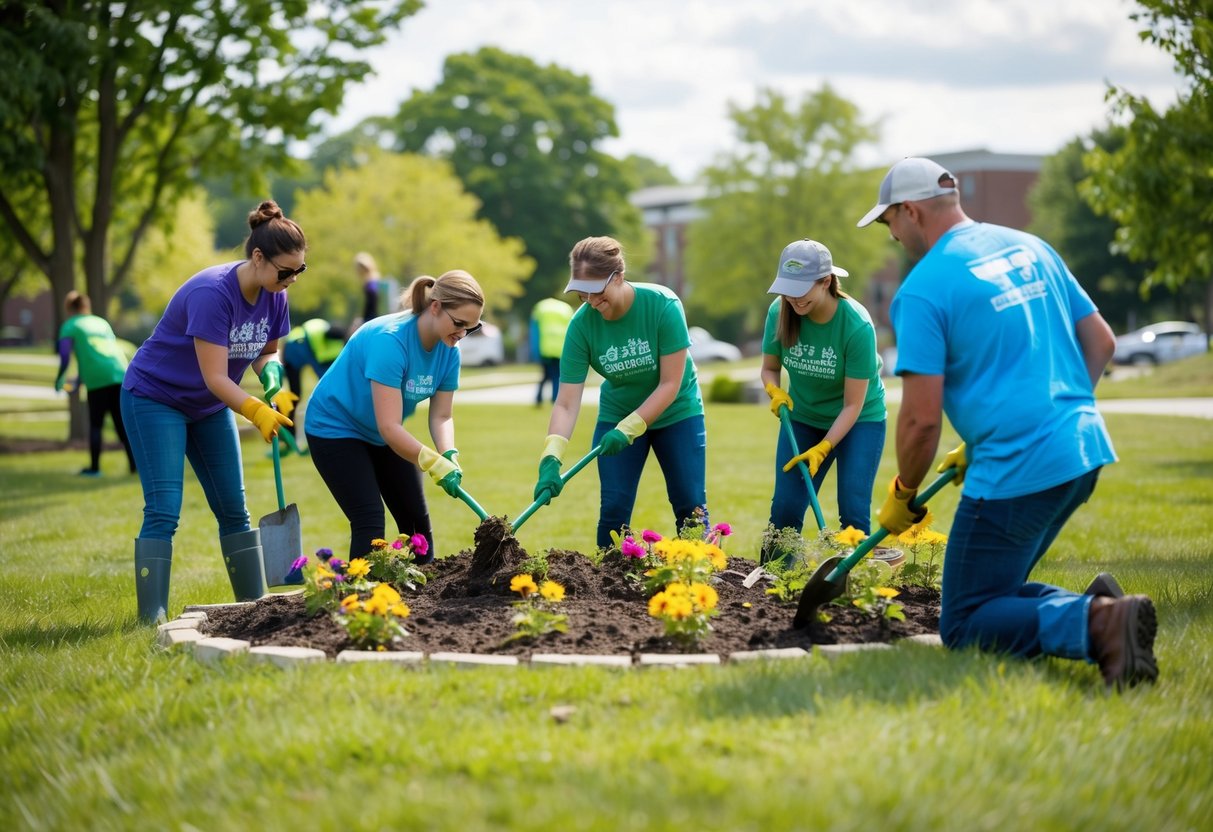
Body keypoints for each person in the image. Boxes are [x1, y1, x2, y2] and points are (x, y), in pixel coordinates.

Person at [857, 156, 1156, 688]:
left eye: (888, 222)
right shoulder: (1030, 246)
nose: (892, 236)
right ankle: (1103, 610)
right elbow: (1102, 342)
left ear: (910, 211)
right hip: (1081, 448)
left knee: (967, 620)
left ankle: (1099, 620)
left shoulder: (922, 290)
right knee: (995, 592)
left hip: (1019, 468)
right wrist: (1058, 415)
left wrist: (904, 491)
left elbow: (922, 420)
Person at [120, 200, 303, 622]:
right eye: (285, 271)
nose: (291, 280)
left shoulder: (276, 295)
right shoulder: (212, 293)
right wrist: (256, 410)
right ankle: (152, 617)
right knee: (164, 508)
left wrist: (272, 375)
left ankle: (254, 608)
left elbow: (268, 351)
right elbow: (216, 378)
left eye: (299, 271)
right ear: (258, 258)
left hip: (208, 405)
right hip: (155, 397)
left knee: (233, 508)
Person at [532, 236, 707, 549]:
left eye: (598, 292)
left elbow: (671, 383)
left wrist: (630, 427)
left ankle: (697, 578)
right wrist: (551, 456)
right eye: (582, 294)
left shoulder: (662, 305)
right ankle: (608, 590)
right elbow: (566, 403)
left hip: (678, 412)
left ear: (619, 276)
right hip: (617, 414)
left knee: (690, 505)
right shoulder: (581, 326)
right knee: (613, 513)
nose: (592, 302)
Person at [304, 271, 482, 561]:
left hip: (381, 430)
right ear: (435, 306)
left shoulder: (450, 350)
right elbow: (389, 427)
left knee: (416, 523)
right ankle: (360, 600)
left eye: (470, 328)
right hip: (336, 427)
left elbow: (441, 416)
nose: (462, 333)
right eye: (458, 324)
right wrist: (431, 462)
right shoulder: (391, 341)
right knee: (370, 520)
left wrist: (448, 454)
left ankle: (420, 600)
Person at [760, 239, 886, 561]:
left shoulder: (856, 325)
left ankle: (857, 585)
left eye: (801, 289)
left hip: (859, 420)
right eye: (787, 288)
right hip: (803, 417)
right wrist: (774, 391)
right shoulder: (780, 312)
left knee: (853, 511)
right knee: (786, 507)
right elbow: (770, 368)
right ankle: (777, 578)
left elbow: (853, 405)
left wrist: (825, 446)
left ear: (826, 281)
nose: (793, 298)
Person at [54, 291, 137, 476]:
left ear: (69, 308)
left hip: (98, 381)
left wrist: (60, 379)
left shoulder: (69, 325)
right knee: (121, 424)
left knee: (96, 424)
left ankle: (94, 468)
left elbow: (65, 355)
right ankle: (134, 467)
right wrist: (78, 381)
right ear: (86, 306)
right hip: (120, 374)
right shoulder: (101, 323)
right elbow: (98, 353)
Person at [280, 318, 347, 444]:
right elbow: (322, 370)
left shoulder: (329, 336)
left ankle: (290, 432)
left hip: (296, 350)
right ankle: (288, 432)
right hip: (292, 355)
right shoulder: (316, 340)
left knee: (298, 396)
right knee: (295, 396)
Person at [530, 296, 574, 405]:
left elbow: (534, 329)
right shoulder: (565, 308)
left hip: (545, 349)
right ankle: (554, 398)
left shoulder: (541, 308)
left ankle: (539, 397)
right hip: (560, 350)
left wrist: (535, 351)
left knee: (546, 375)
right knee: (556, 376)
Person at [355, 251, 381, 327]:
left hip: (372, 317)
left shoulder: (371, 281)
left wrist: (363, 318)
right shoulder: (374, 278)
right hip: (373, 316)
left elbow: (372, 300)